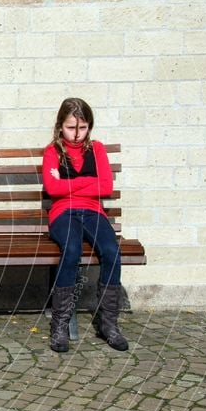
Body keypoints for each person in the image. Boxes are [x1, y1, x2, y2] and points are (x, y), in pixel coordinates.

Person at [41, 97, 129, 353]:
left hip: (92, 211)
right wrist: (88, 182)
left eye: (83, 127)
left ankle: (108, 324)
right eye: (71, 127)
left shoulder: (97, 149)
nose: (77, 134)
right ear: (60, 126)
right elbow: (52, 189)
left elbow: (106, 187)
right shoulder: (52, 151)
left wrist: (68, 183)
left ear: (89, 126)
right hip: (63, 213)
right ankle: (60, 325)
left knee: (111, 251)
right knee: (71, 250)